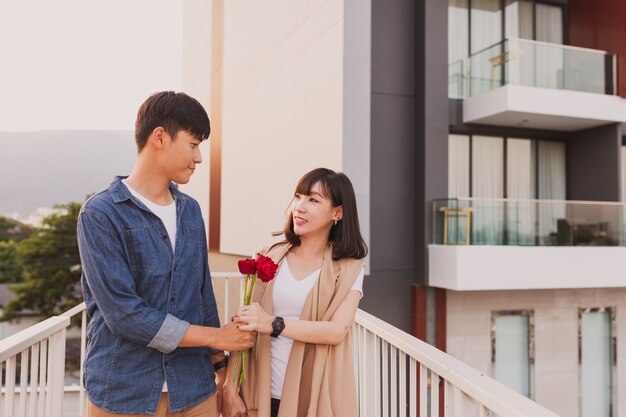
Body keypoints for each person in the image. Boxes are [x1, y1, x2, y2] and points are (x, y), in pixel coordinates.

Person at [77, 91, 254, 417]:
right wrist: (218, 337)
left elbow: (202, 295)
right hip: (123, 393)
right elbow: (125, 316)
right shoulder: (100, 214)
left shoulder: (190, 211)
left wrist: (222, 369)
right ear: (159, 136)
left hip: (194, 390)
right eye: (193, 144)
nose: (199, 157)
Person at [223, 168, 368, 417]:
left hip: (312, 395)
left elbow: (337, 331)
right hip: (258, 391)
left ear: (338, 212)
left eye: (313, 200)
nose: (299, 207)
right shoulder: (270, 254)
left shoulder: (348, 269)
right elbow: (245, 322)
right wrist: (229, 387)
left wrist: (273, 324)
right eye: (298, 197)